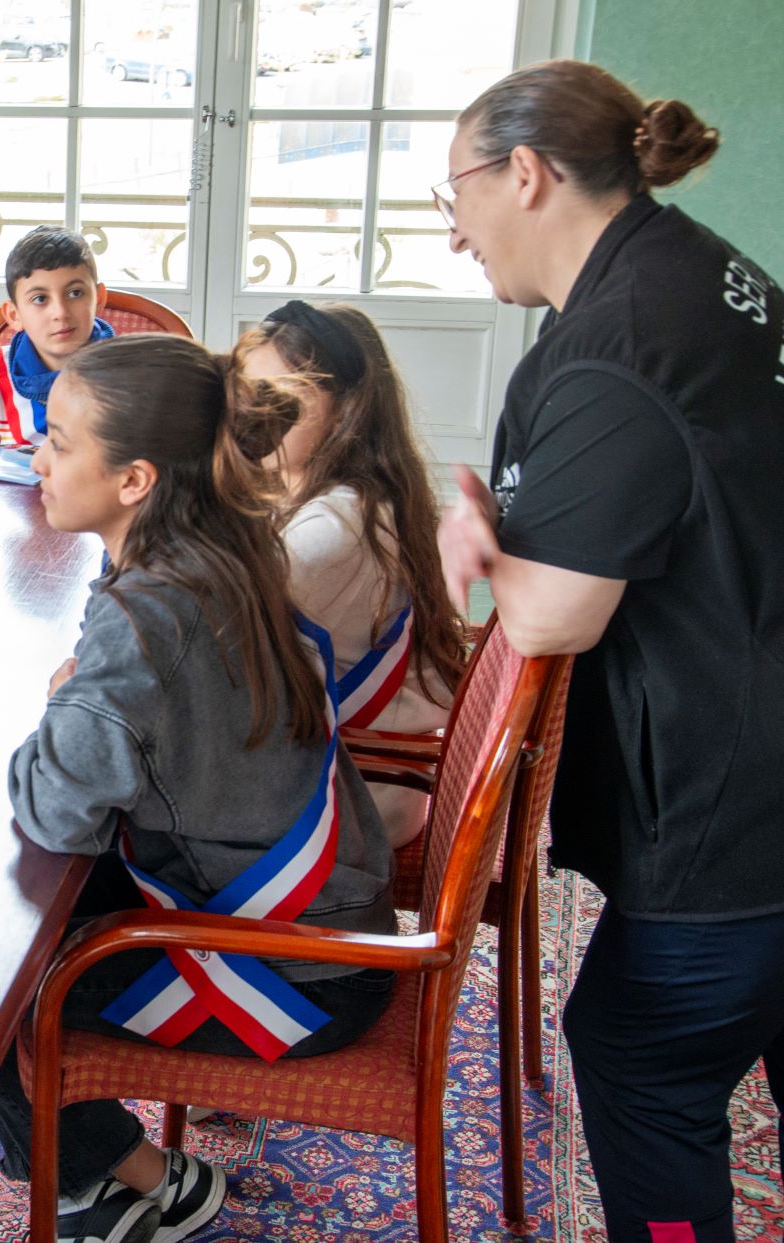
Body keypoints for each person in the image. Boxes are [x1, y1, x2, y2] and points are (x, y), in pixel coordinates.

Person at [433, 59, 784, 1243]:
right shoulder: (704, 268)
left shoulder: (612, 348)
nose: (457, 238)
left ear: (524, 174)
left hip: (739, 802)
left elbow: (554, 617)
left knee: (639, 1056)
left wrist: (475, 538)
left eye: (456, 200)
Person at [0, 334, 396, 1243]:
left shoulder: (145, 616)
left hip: (292, 972)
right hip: (331, 918)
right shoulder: (216, 545)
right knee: (28, 925)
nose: (36, 456)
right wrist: (76, 714)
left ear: (134, 479)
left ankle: (128, 1187)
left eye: (57, 439)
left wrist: (54, 717)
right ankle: (130, 1175)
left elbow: (54, 806)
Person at [235, 300, 464, 847]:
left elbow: (210, 646)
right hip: (356, 772)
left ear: (345, 411)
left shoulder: (332, 531)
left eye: (282, 398)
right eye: (246, 396)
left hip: (349, 799)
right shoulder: (338, 493)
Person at [0, 225, 113, 451]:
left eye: (75, 293)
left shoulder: (128, 372)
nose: (60, 312)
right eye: (40, 299)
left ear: (99, 299)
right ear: (14, 315)